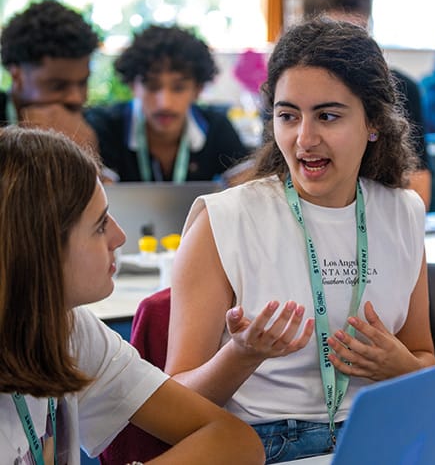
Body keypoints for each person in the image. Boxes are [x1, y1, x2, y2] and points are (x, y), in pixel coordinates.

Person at [165, 18, 435, 464]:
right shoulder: (224, 221)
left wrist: (399, 366)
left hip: (377, 435)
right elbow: (173, 406)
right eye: (288, 116)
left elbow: (423, 357)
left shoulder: (403, 211)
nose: (304, 139)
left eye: (328, 116)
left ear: (373, 122)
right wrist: (241, 355)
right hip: (264, 444)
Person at [0, 127, 265, 464]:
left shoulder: (67, 326)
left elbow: (235, 441)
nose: (120, 236)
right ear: (38, 248)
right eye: (98, 226)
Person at [303, 0, 433, 209]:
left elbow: (419, 186)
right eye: (332, 36)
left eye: (356, 35)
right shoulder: (289, 93)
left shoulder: (401, 88)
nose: (344, 52)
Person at [85, 24, 249, 182]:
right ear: (132, 86)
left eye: (178, 88)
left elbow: (246, 189)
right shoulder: (106, 127)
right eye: (152, 86)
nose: (164, 104)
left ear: (197, 90)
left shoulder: (216, 127)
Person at [0, 0, 99, 150]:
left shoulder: (94, 125)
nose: (76, 98)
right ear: (17, 76)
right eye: (58, 86)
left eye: (82, 83)